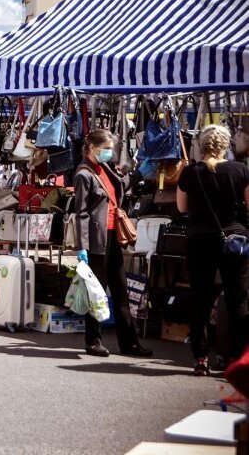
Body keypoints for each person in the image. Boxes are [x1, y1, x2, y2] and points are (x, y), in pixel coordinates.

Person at [74, 129, 152, 358]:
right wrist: (82, 246)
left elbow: (121, 186)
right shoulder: (83, 174)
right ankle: (93, 341)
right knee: (96, 292)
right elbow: (82, 214)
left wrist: (139, 173)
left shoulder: (104, 168)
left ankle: (130, 343)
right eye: (106, 148)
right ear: (93, 148)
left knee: (120, 291)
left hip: (113, 237)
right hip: (97, 240)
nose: (110, 152)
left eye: (111, 148)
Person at [177, 124, 249, 376]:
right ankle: (238, 358)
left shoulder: (189, 172)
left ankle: (201, 358)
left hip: (200, 239)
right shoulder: (240, 169)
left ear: (202, 144)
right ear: (226, 145)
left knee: (200, 298)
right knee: (237, 298)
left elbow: (182, 208)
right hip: (235, 239)